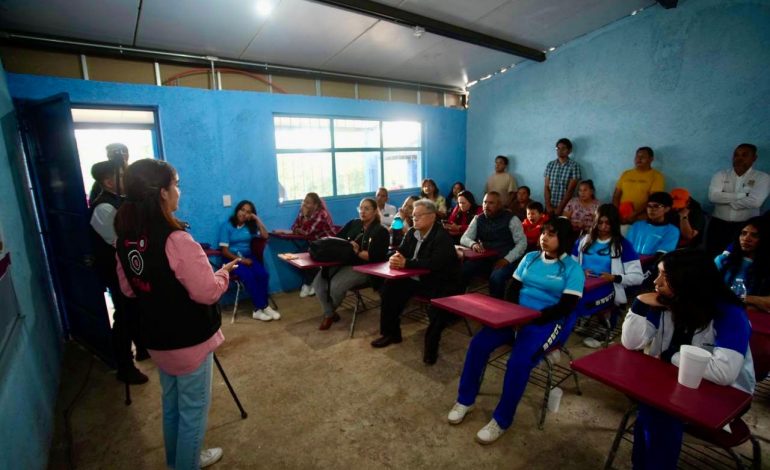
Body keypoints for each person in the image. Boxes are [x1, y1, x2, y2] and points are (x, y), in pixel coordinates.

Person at [115, 159, 235, 469]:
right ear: (163, 193)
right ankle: (188, 462)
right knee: (193, 412)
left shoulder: (125, 239)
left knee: (172, 405)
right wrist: (222, 274)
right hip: (188, 339)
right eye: (176, 184)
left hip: (156, 337)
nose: (178, 191)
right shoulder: (177, 240)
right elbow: (206, 292)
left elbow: (129, 290)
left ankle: (179, 460)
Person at [447, 218, 585, 444]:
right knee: (478, 344)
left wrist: (531, 320)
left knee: (518, 362)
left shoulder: (572, 268)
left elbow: (566, 306)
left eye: (551, 234)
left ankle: (501, 419)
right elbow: (512, 289)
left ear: (564, 239)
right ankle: (465, 400)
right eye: (543, 233)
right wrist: (513, 317)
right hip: (516, 317)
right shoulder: (530, 258)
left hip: (546, 323)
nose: (544, 238)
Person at [621, 249, 755, 469]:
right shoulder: (668, 302)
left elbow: (723, 373)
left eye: (666, 276)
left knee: (659, 413)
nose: (656, 281)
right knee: (653, 408)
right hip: (674, 385)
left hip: (726, 394)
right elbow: (631, 342)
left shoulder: (730, 314)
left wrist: (670, 356)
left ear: (688, 280)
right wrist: (639, 304)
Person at [371, 199, 462, 366]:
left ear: (432, 216)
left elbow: (435, 263)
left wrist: (407, 263)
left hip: (440, 281)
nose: (414, 219)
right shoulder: (412, 232)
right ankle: (391, 333)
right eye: (413, 216)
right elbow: (402, 251)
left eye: (419, 216)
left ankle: (431, 349)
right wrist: (395, 258)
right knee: (388, 289)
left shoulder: (442, 237)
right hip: (416, 278)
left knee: (436, 309)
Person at [89, 160, 148, 384]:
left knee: (135, 311)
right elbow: (121, 242)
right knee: (124, 317)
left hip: (127, 268)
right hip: (115, 271)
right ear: (108, 181)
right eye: (123, 176)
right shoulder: (103, 208)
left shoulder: (119, 201)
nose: (127, 180)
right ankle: (125, 366)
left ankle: (142, 347)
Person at [571, 204, 643, 347]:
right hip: (583, 285)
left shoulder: (622, 245)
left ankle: (604, 323)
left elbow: (638, 276)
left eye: (608, 223)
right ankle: (583, 318)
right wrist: (579, 271)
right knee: (564, 298)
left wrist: (615, 278)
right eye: (600, 223)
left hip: (608, 287)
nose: (603, 227)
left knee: (583, 302)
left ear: (614, 224)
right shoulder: (583, 241)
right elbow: (570, 265)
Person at [313, 198, 389, 330]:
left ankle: (328, 314)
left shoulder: (380, 231)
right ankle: (330, 312)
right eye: (361, 208)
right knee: (318, 284)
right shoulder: (354, 223)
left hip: (364, 267)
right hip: (342, 260)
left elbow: (375, 257)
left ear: (375, 211)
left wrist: (357, 251)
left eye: (367, 209)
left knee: (335, 287)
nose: (362, 211)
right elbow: (337, 240)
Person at [218, 201, 281, 321]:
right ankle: (263, 306)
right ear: (237, 210)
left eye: (248, 212)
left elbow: (265, 236)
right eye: (242, 210)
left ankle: (259, 309)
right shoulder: (226, 226)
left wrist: (256, 219)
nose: (244, 213)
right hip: (231, 260)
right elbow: (224, 251)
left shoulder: (249, 227)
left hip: (248, 257)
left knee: (263, 275)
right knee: (249, 276)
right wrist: (241, 260)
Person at [707, 143, 770, 257]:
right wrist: (742, 195)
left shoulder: (762, 177)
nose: (739, 158)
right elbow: (713, 197)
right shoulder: (721, 175)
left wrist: (726, 199)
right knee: (712, 257)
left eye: (744, 155)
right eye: (736, 155)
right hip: (718, 225)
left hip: (744, 228)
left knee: (738, 259)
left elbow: (756, 202)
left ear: (754, 158)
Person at [460, 191, 526, 299]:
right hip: (484, 259)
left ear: (499, 205)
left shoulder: (512, 219)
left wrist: (507, 259)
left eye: (491, 203)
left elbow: (522, 243)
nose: (486, 206)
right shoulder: (478, 218)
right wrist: (473, 244)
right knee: (463, 269)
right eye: (485, 202)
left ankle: (496, 309)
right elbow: (464, 238)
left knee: (496, 278)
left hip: (506, 259)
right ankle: (459, 302)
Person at [284, 192, 335, 297]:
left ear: (315, 205)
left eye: (308, 202)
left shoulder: (321, 214)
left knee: (304, 257)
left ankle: (309, 283)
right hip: (314, 244)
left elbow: (307, 232)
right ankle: (313, 281)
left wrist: (303, 221)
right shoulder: (303, 212)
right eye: (304, 201)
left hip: (327, 245)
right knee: (295, 258)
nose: (304, 204)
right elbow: (294, 227)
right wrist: (301, 224)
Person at [715, 217, 770, 312]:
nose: (746, 238)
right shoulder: (723, 260)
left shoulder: (767, 267)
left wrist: (743, 298)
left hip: (755, 318)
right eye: (743, 233)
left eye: (754, 235)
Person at [612, 147, 665, 224]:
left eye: (642, 157)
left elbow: (653, 199)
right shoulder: (626, 174)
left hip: (641, 217)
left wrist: (635, 214)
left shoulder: (657, 176)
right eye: (637, 156)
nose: (639, 159)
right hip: (621, 216)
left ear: (651, 159)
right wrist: (617, 213)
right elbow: (616, 196)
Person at [625, 192, 680, 256]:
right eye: (649, 206)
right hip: (630, 263)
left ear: (667, 209)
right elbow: (626, 248)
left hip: (651, 264)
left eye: (656, 206)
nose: (651, 209)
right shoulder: (637, 225)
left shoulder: (672, 231)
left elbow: (661, 255)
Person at [544, 138, 581, 216]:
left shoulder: (574, 166)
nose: (560, 151)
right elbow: (546, 187)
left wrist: (560, 208)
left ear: (569, 150)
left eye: (563, 148)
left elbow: (570, 190)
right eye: (558, 148)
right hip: (549, 206)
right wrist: (548, 206)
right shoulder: (550, 164)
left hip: (566, 207)